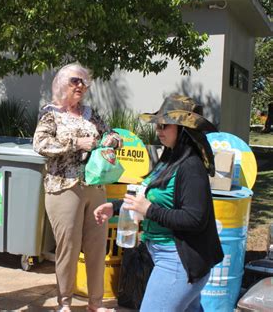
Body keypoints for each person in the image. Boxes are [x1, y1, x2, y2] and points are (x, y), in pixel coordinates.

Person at [94, 95, 224, 312]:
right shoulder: (169, 159)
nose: (159, 130)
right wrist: (116, 206)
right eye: (158, 125)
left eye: (165, 125)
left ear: (183, 129)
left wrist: (149, 210)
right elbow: (147, 193)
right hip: (165, 255)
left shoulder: (191, 167)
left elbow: (195, 219)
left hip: (177, 261)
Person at [33, 63, 122, 312]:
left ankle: (95, 303)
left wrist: (113, 140)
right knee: (68, 248)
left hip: (94, 186)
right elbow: (40, 144)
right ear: (62, 83)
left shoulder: (90, 113)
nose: (81, 86)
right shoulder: (50, 113)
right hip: (63, 188)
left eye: (84, 82)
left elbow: (111, 134)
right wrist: (75, 143)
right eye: (75, 81)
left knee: (96, 248)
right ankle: (64, 303)